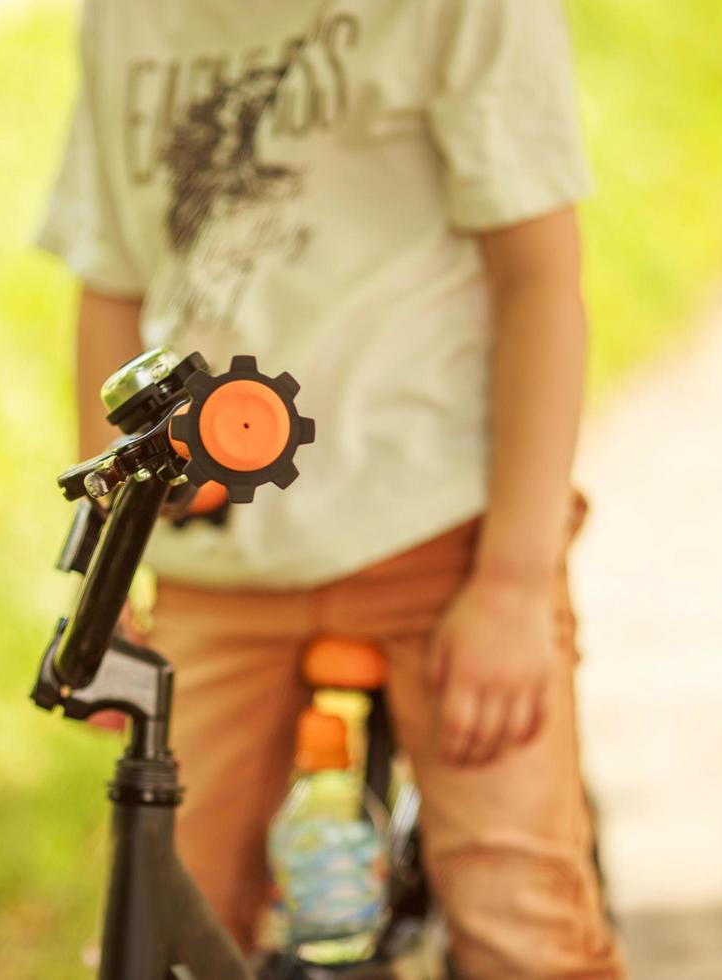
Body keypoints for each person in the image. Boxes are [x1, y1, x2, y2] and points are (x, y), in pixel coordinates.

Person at [35, 1, 625, 976]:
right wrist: (111, 574)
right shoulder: (127, 18)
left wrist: (515, 585)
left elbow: (540, 281)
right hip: (218, 558)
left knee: (526, 925)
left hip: (440, 540)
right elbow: (113, 283)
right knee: (162, 919)